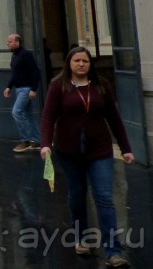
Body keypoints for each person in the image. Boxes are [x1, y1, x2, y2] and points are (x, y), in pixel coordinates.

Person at [40, 46, 134, 267]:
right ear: (70, 64)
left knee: (104, 198)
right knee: (77, 195)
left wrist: (126, 147)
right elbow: (47, 117)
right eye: (77, 61)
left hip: (99, 150)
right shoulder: (58, 86)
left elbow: (114, 117)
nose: (81, 64)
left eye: (85, 61)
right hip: (68, 151)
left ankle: (114, 251)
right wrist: (45, 145)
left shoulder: (101, 86)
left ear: (90, 64)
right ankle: (81, 238)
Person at [4, 33, 42, 152]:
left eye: (10, 41)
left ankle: (26, 141)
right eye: (8, 41)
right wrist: (9, 87)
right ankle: (38, 140)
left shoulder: (25, 54)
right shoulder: (15, 55)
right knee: (29, 115)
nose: (8, 43)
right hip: (19, 89)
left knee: (16, 112)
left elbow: (36, 72)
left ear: (17, 42)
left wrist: (33, 89)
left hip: (26, 89)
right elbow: (15, 74)